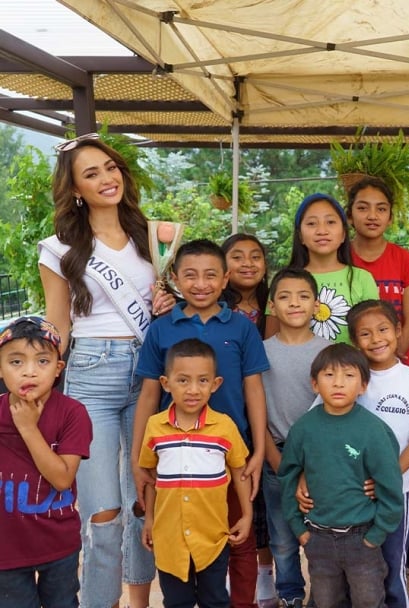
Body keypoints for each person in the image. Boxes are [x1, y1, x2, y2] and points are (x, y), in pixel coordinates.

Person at [38, 133, 174, 608]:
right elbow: (58, 321)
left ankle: (138, 601)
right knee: (102, 510)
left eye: (110, 168)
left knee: (143, 499)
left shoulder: (150, 234)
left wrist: (164, 303)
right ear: (75, 189)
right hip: (91, 375)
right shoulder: (58, 248)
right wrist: (45, 386)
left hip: (149, 375)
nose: (105, 178)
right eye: (90, 174)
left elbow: (162, 309)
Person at [131, 239, 270, 608]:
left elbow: (254, 390)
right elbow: (147, 395)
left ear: (225, 279)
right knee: (177, 533)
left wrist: (257, 450)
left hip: (230, 449)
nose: (201, 284)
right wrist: (136, 460)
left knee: (239, 538)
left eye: (211, 275)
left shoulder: (241, 328)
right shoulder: (161, 329)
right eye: (190, 276)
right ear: (175, 278)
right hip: (174, 451)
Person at [278, 343, 404, 608]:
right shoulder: (304, 429)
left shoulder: (373, 430)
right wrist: (299, 528)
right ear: (314, 384)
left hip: (363, 538)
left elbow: (391, 485)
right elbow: (288, 476)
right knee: (325, 601)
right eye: (329, 375)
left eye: (348, 376)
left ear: (363, 386)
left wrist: (377, 534)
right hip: (318, 538)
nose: (338, 383)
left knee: (368, 600)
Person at [140, 338, 252, 608]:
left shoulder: (224, 427)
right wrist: (149, 519)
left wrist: (247, 515)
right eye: (183, 380)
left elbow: (240, 473)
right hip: (168, 540)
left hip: (212, 539)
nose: (193, 390)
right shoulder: (155, 426)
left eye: (203, 381)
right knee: (177, 602)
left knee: (215, 600)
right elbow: (151, 477)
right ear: (166, 384)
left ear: (215, 384)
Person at [345, 299, 409, 608]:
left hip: (394, 493)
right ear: (353, 341)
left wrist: (386, 477)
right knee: (353, 568)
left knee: (391, 565)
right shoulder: (346, 377)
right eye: (365, 334)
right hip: (349, 493)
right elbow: (320, 426)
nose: (376, 339)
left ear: (398, 331)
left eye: (383, 329)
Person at [0, 316, 93, 608]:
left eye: (42, 361)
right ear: (0, 368)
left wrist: (28, 428)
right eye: (16, 362)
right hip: (6, 549)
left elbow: (63, 478)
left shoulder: (72, 413)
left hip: (58, 545)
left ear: (58, 368)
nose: (29, 372)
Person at [261, 267, 330, 608]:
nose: (294, 303)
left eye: (303, 296)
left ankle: (326, 595)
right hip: (276, 457)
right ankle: (289, 595)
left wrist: (312, 463)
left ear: (317, 305)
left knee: (324, 535)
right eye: (285, 297)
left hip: (323, 459)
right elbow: (256, 412)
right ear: (272, 305)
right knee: (283, 538)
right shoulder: (260, 352)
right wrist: (280, 463)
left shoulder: (329, 353)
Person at [221, 232, 277, 606]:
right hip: (229, 414)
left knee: (266, 503)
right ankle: (233, 575)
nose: (247, 263)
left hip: (269, 408)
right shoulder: (216, 310)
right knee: (235, 502)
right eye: (237, 256)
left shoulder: (274, 303)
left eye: (255, 256)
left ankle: (267, 572)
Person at [347, 176, 409, 361]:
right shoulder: (339, 257)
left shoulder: (405, 259)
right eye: (363, 208)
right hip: (349, 366)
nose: (372, 216)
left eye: (381, 209)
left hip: (396, 363)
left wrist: (391, 358)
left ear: (390, 218)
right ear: (349, 216)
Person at [288, 192, 379, 343]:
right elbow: (273, 340)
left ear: (343, 234)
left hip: (352, 366)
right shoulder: (286, 281)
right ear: (300, 236)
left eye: (330, 222)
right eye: (311, 223)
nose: (322, 231)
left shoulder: (363, 278)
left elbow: (372, 336)